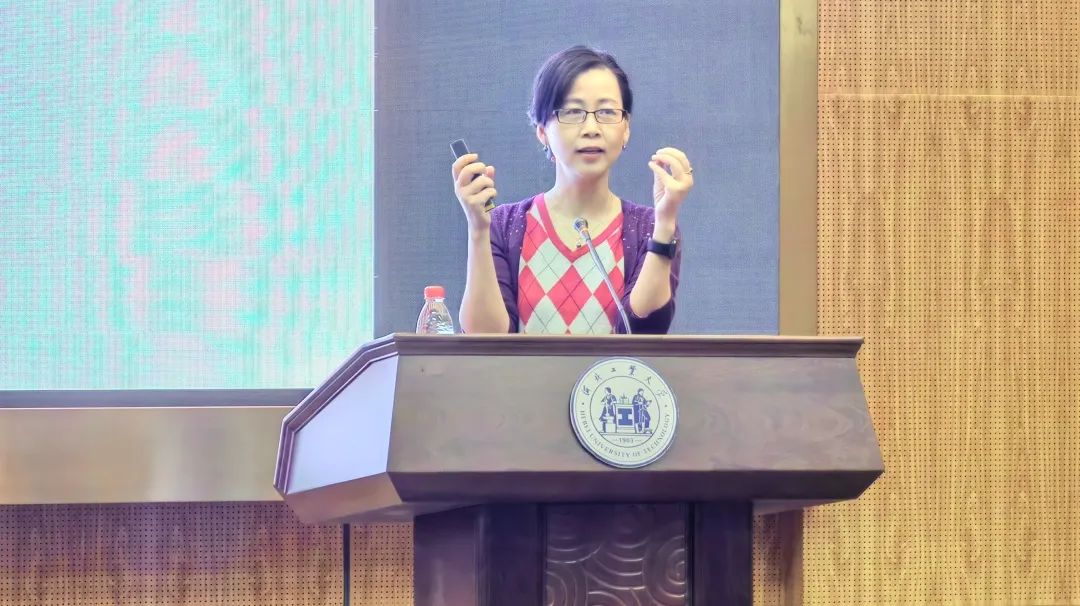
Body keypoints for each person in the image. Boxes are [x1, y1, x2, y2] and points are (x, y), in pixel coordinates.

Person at [451, 45, 692, 334]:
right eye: (573, 112)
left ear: (626, 128)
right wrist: (479, 230)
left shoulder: (649, 228)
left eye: (606, 112)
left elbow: (644, 331)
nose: (591, 128)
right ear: (542, 131)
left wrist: (665, 223)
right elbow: (484, 339)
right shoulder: (503, 225)